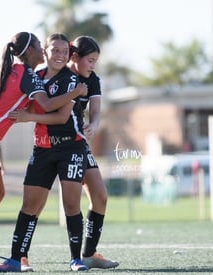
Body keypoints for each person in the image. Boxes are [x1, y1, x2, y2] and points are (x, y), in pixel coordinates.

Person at [0, 31, 88, 273]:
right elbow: (48, 105)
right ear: (30, 51)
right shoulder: (26, 75)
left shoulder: (15, 70)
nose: (42, 48)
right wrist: (76, 92)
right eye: (39, 45)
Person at [67, 36, 119, 269]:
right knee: (34, 205)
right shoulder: (56, 74)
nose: (93, 65)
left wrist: (94, 126)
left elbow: (96, 114)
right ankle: (20, 256)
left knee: (100, 196)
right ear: (75, 57)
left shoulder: (93, 79)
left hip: (79, 144)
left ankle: (88, 253)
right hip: (51, 146)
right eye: (90, 60)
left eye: (96, 61)